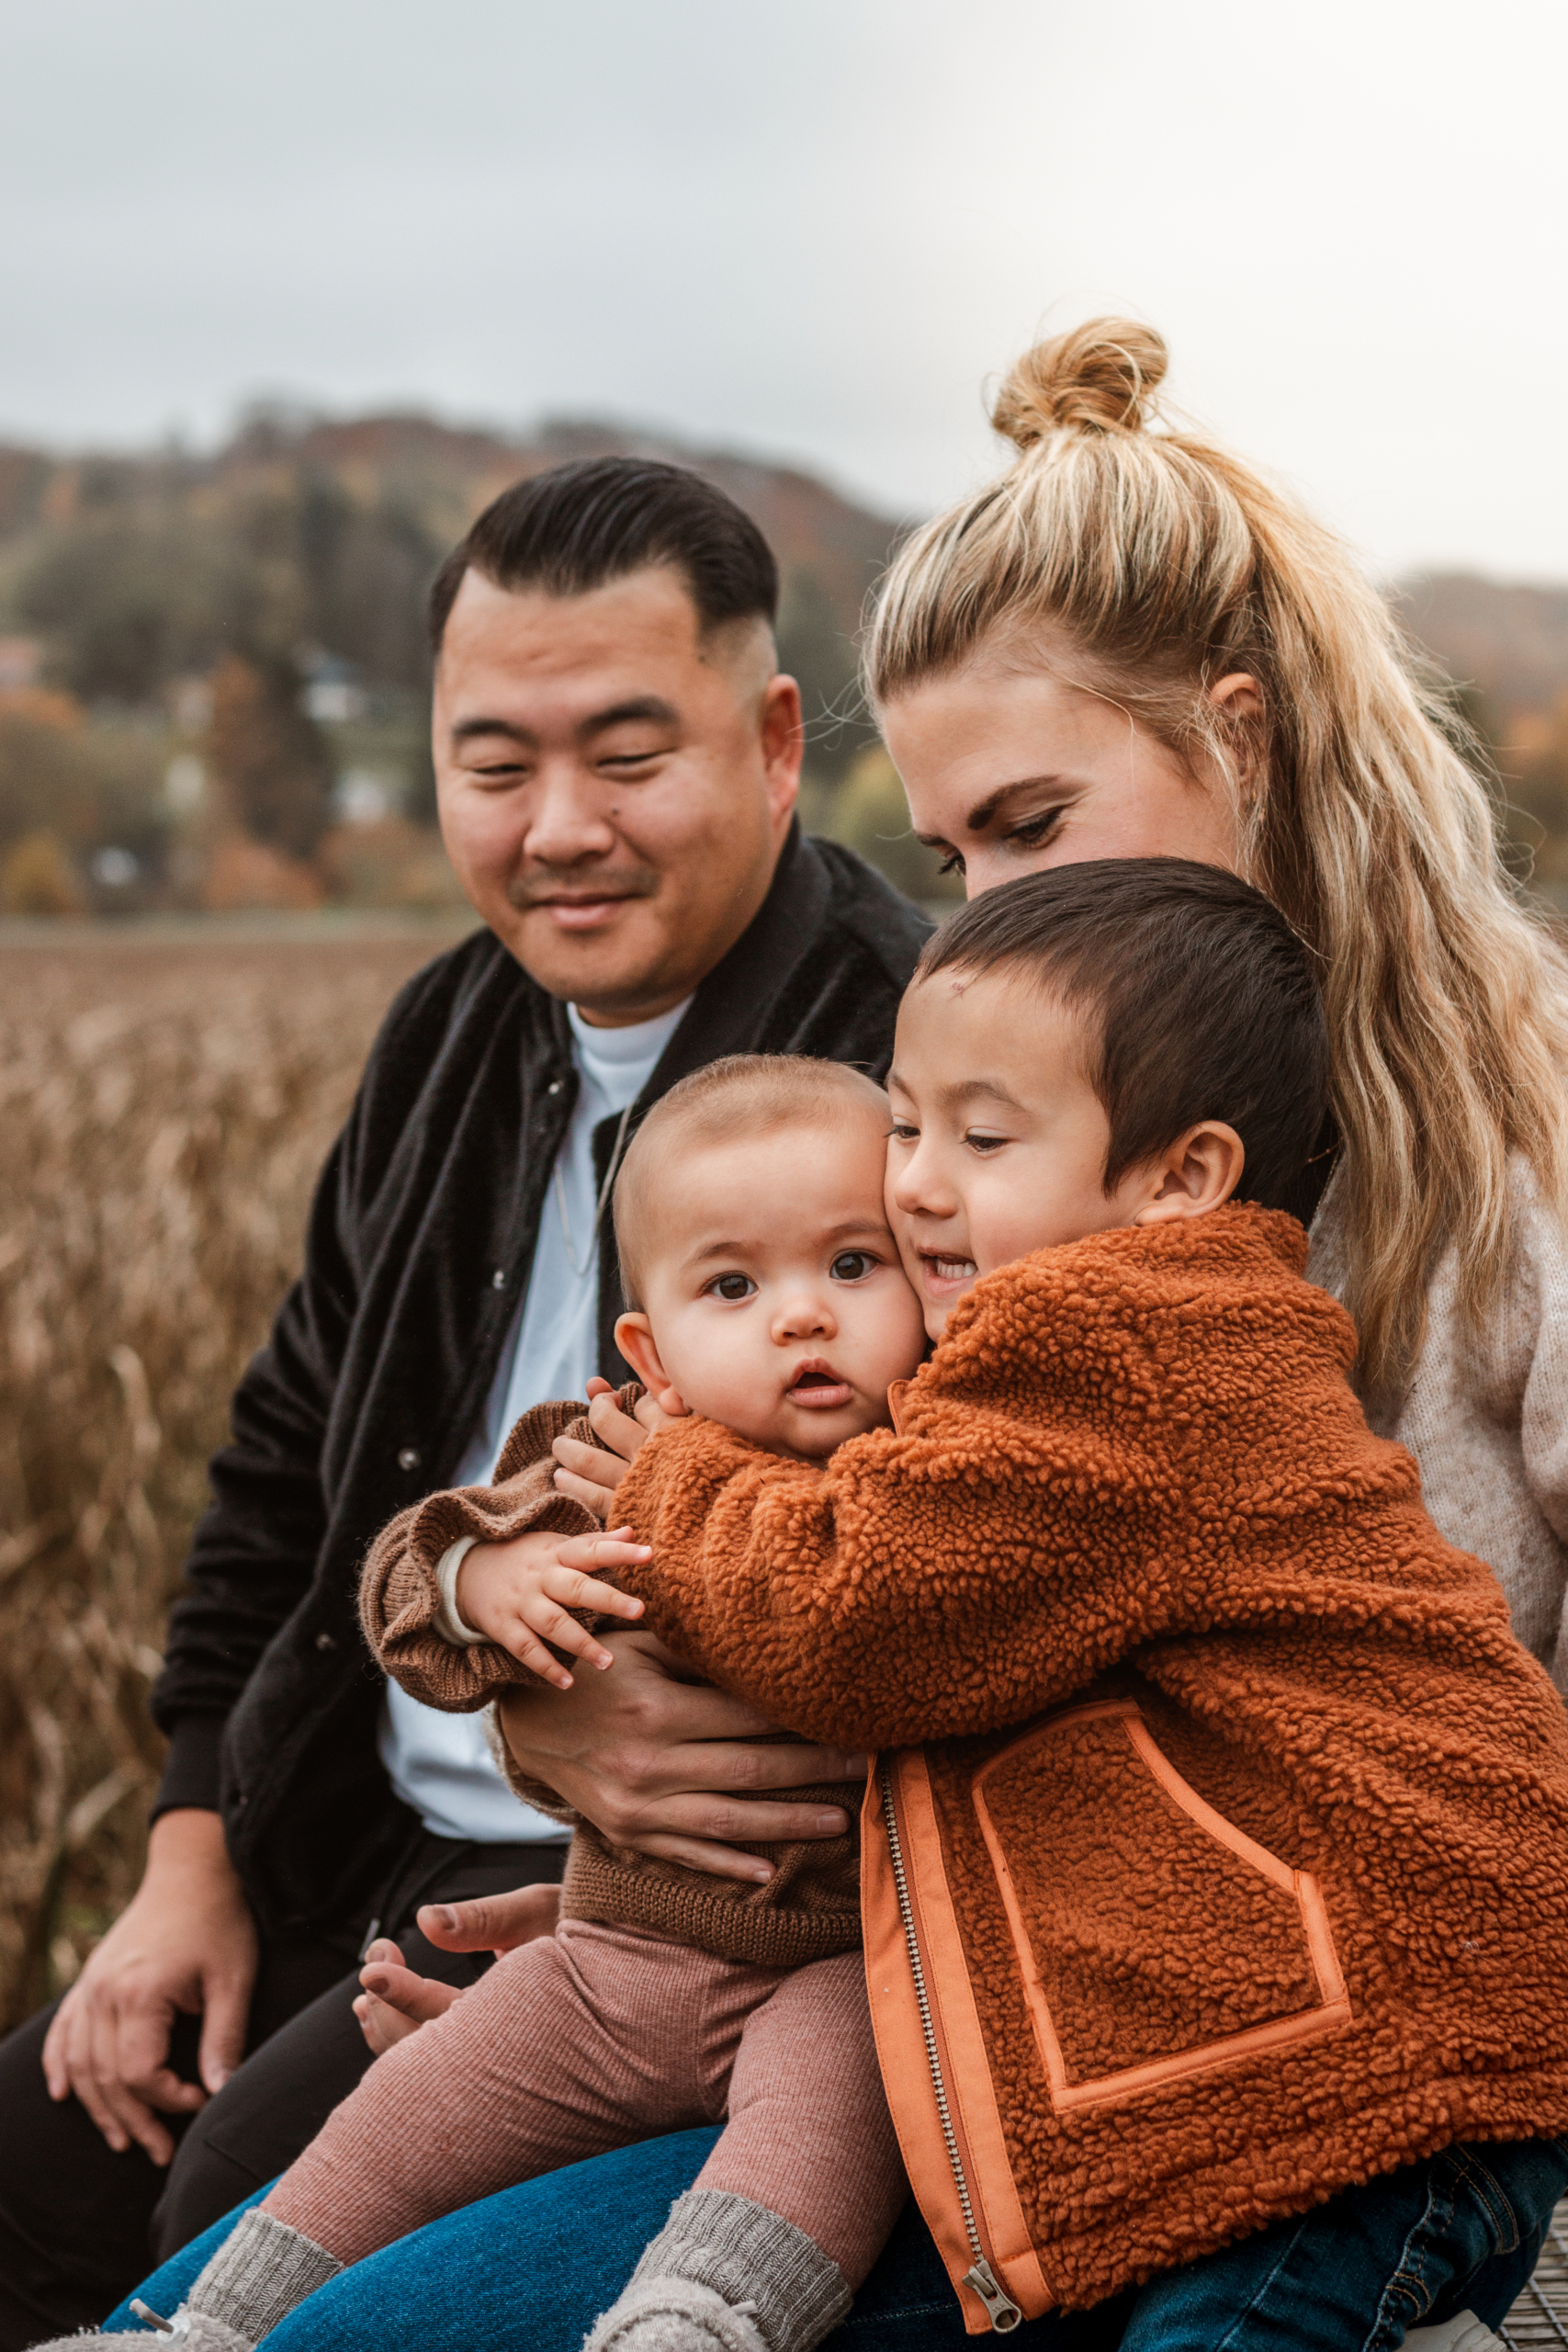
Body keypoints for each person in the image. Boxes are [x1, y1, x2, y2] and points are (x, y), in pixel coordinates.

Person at [93, 318, 1568, 2352]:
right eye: (949, 856)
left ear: (1241, 741)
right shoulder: (962, 1172)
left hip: (1232, 2116)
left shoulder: (1513, 1173)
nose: (967, 920)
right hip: (898, 1997)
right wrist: (595, 1830)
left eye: (1032, 825)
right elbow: (853, 1568)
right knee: (195, 2286)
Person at [0, 457, 930, 2348]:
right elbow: (282, 1461)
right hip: (340, 1820)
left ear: (769, 741)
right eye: (494, 764)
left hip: (673, 1916)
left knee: (214, 2212)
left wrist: (578, 1800)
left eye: (623, 752)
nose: (557, 826)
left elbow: (989, 1530)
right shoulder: (449, 1028)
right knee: (25, 2159)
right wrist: (190, 1845)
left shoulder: (900, 1059)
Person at [47, 1055, 927, 2352]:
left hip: (834, 1964)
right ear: (650, 1348)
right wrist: (482, 1575)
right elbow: (402, 1574)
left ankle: (699, 2320)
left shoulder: (930, 1477)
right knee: (408, 2114)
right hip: (608, 1962)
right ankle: (206, 2331)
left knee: (833, 2117)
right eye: (733, 1287)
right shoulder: (607, 1455)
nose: (803, 1317)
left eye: (855, 1266)